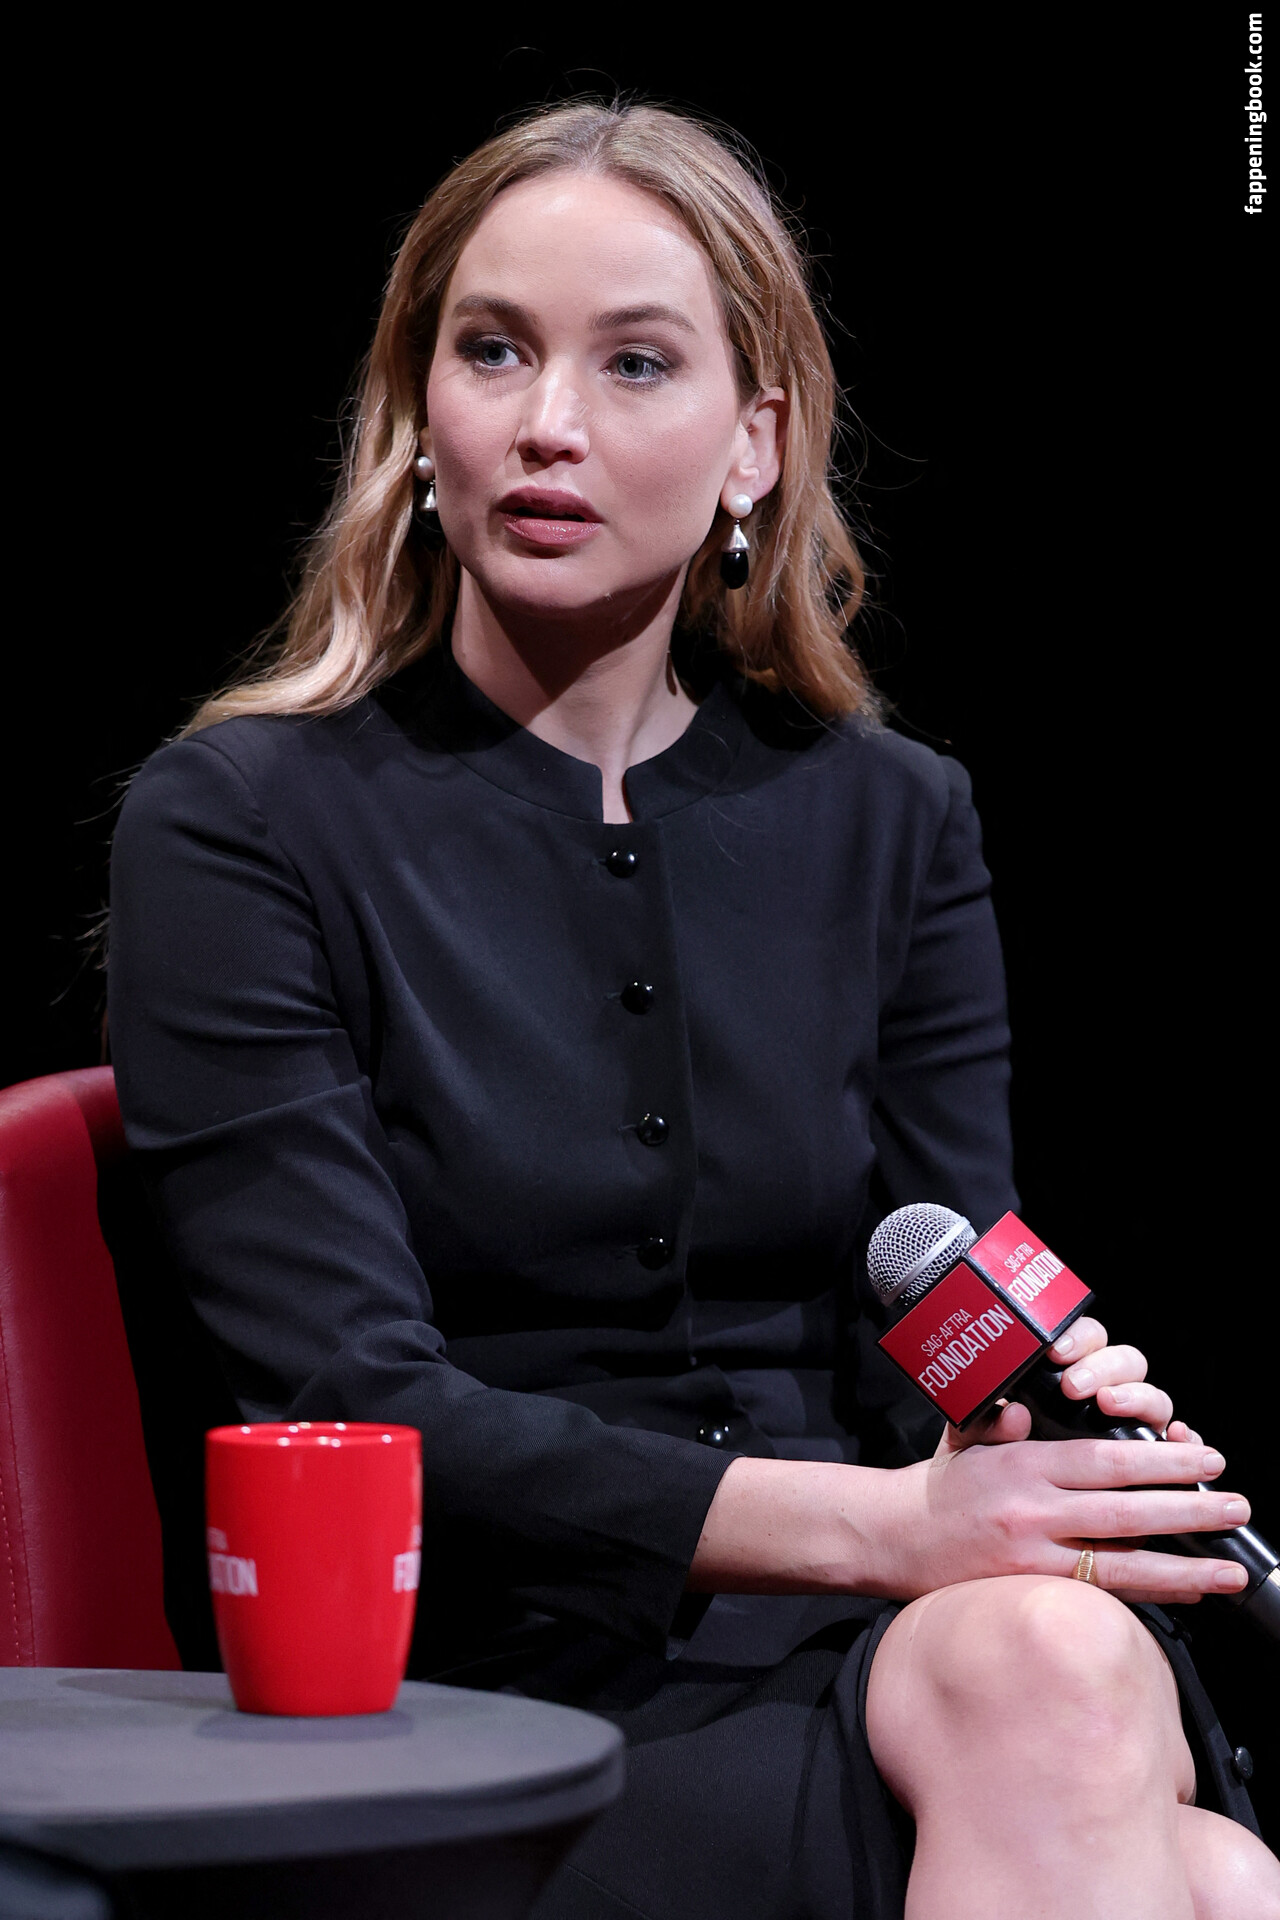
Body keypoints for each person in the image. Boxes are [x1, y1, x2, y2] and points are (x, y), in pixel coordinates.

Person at [107, 100, 1278, 1919]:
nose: (546, 423)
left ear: (758, 443)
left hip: (883, 1647)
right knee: (1204, 1875)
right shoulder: (240, 822)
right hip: (469, 1686)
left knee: (1056, 1668)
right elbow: (349, 1396)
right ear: (419, 411)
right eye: (493, 350)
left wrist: (1014, 1429)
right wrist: (893, 1529)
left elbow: (930, 1295)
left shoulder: (894, 818)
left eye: (634, 362)